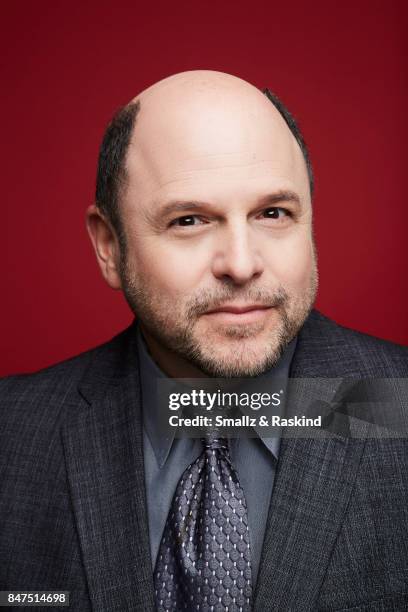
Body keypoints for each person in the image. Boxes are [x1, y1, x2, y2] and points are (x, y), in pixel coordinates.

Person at [0, 70, 407, 612]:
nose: (241, 264)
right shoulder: (11, 434)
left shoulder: (396, 406)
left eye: (272, 213)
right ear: (108, 246)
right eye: (189, 220)